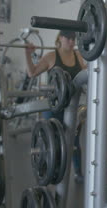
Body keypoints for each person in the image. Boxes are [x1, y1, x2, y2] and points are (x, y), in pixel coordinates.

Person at [25, 30, 87, 182]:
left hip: (72, 107)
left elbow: (86, 75)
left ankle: (78, 173)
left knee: (74, 141)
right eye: (68, 38)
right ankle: (49, 171)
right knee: (52, 142)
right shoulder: (51, 57)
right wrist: (28, 54)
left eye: (73, 38)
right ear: (60, 38)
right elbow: (32, 73)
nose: (71, 42)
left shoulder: (78, 56)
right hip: (53, 107)